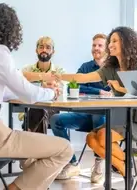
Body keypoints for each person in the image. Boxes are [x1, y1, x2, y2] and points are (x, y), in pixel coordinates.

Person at [0, 3, 73, 190]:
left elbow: (0, 90)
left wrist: (38, 87)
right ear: (9, 30)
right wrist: (51, 91)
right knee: (64, 149)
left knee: (29, 149)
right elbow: (28, 95)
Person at [58, 26, 137, 185]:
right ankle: (125, 168)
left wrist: (120, 89)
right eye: (109, 41)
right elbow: (83, 78)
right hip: (121, 118)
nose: (110, 45)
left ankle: (125, 168)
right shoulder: (110, 68)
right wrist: (58, 75)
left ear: (126, 42)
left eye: (114, 41)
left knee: (103, 138)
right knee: (91, 138)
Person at [50, 34, 111, 182]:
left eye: (99, 45)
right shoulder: (86, 67)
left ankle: (99, 163)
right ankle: (72, 163)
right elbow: (74, 85)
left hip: (107, 119)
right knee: (55, 119)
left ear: (107, 49)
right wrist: (99, 91)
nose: (96, 48)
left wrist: (89, 89)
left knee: (98, 115)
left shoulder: (113, 69)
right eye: (94, 45)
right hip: (85, 116)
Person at [19, 36, 64, 133]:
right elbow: (21, 87)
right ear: (36, 50)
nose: (44, 50)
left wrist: (35, 85)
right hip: (28, 108)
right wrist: (43, 84)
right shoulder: (27, 70)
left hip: (52, 109)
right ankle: (38, 144)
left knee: (41, 110)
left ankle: (29, 131)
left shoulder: (59, 71)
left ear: (53, 51)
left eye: (48, 47)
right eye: (41, 47)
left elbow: (59, 91)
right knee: (39, 110)